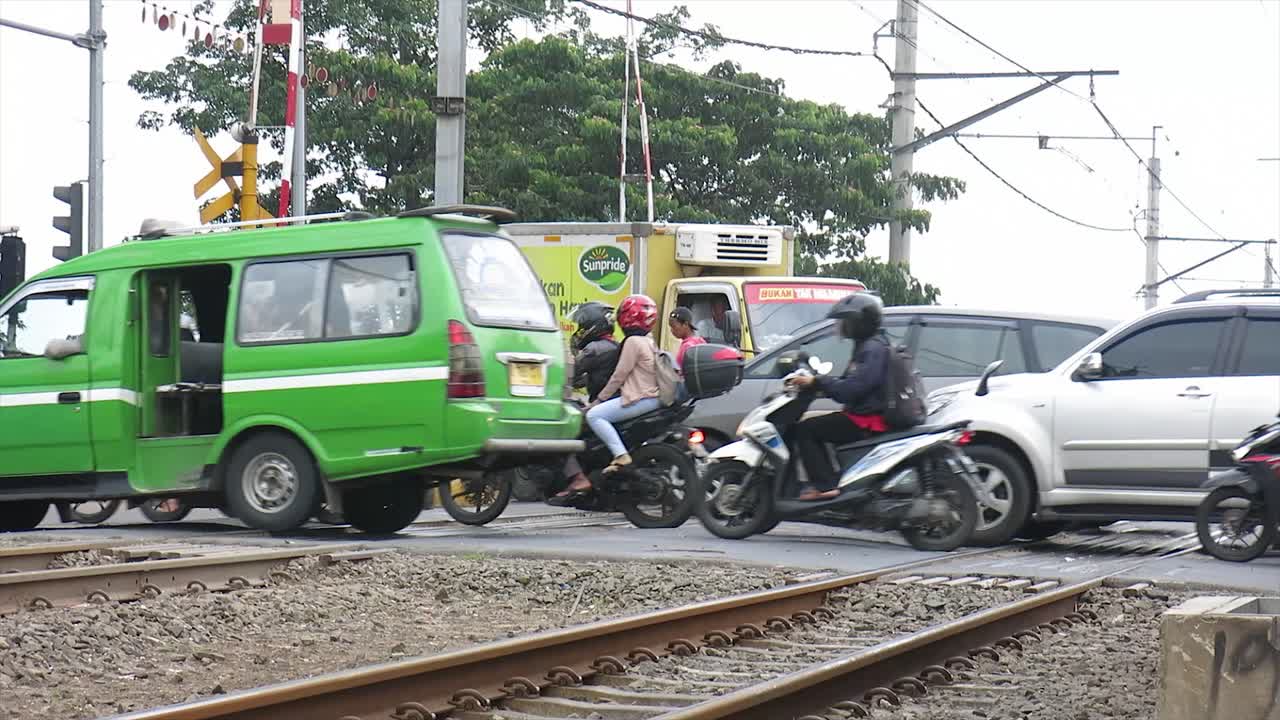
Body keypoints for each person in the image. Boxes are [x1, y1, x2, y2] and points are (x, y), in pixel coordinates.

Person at [786, 293, 889, 501]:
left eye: (845, 321)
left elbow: (851, 389)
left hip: (866, 420)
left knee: (806, 429)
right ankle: (834, 478)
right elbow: (849, 384)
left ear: (859, 323)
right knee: (816, 422)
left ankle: (825, 485)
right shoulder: (871, 345)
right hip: (865, 414)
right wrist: (819, 384)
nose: (841, 326)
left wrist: (817, 382)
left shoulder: (872, 349)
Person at [569, 301, 621, 403]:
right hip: (614, 400)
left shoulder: (593, 350)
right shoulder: (614, 345)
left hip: (602, 403)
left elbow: (571, 375)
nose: (580, 331)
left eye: (582, 327)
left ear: (593, 326)